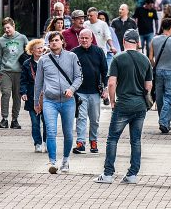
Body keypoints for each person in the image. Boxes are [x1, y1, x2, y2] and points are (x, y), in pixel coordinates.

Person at [95, 29, 152, 185]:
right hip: (140, 105)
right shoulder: (145, 60)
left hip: (123, 104)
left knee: (112, 139)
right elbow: (149, 85)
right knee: (136, 140)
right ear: (137, 42)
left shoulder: (118, 58)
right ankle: (132, 175)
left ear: (124, 41)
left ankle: (107, 175)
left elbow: (111, 83)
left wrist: (112, 101)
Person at [35, 30, 82, 174]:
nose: (54, 42)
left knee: (68, 133)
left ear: (62, 41)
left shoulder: (72, 57)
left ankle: (66, 160)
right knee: (51, 131)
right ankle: (53, 161)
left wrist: (72, 89)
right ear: (48, 43)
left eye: (56, 40)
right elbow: (38, 82)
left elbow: (79, 77)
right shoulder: (43, 60)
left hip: (68, 101)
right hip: (50, 101)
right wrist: (36, 102)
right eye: (51, 40)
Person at [72, 29, 107, 154]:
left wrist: (106, 88)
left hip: (95, 91)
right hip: (79, 91)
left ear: (92, 39)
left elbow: (104, 71)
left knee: (95, 119)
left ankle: (94, 141)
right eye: (82, 38)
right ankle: (80, 142)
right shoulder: (74, 53)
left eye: (87, 38)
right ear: (79, 39)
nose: (84, 40)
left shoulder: (98, 51)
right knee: (81, 117)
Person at [148, 19, 171, 134]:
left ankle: (165, 123)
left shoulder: (154, 40)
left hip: (158, 71)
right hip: (170, 71)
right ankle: (164, 122)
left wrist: (156, 67)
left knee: (159, 97)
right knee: (169, 97)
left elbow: (150, 58)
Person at [0, 18, 28, 130]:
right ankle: (4, 119)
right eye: (4, 28)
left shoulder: (22, 38)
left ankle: (15, 119)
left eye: (8, 27)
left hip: (19, 72)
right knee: (6, 94)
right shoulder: (1, 41)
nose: (6, 30)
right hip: (6, 71)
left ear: (13, 26)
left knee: (17, 96)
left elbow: (29, 51)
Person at [20, 39, 47, 153]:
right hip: (32, 96)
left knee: (47, 122)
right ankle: (37, 143)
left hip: (46, 96)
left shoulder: (47, 61)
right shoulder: (27, 64)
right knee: (35, 123)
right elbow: (23, 80)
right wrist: (23, 92)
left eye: (42, 47)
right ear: (32, 50)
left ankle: (46, 142)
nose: (40, 50)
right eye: (38, 48)